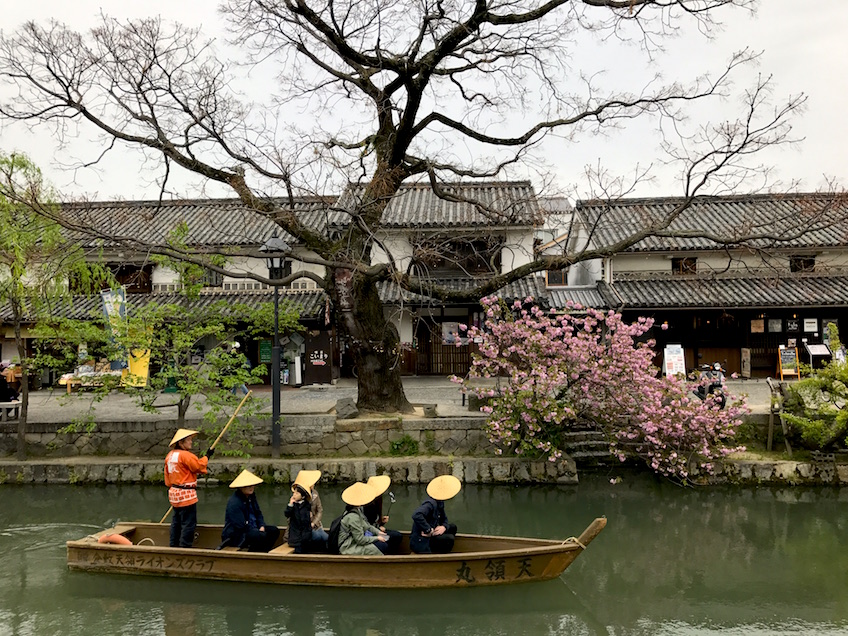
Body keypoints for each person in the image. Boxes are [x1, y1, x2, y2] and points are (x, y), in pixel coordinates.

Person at [164, 428, 211, 548]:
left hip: (174, 493)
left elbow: (167, 478)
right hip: (186, 495)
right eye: (189, 440)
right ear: (181, 443)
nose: (191, 442)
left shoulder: (169, 456)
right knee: (188, 523)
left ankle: (173, 545)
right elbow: (198, 467)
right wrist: (207, 456)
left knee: (176, 522)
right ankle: (185, 547)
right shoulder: (186, 455)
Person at [221, 469, 280, 552]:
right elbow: (240, 525)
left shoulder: (251, 497)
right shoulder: (234, 503)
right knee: (259, 536)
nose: (251, 488)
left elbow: (258, 513)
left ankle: (263, 552)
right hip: (237, 535)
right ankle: (253, 554)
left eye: (252, 485)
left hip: (252, 528)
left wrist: (261, 525)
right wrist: (257, 531)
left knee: (274, 531)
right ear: (241, 487)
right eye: (248, 486)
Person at [410, 474, 461, 554]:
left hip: (433, 533)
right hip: (422, 539)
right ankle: (439, 556)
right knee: (449, 538)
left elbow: (444, 519)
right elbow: (416, 515)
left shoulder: (440, 502)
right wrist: (428, 530)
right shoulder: (430, 504)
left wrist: (444, 527)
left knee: (452, 527)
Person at [338, 481, 389, 555]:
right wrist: (377, 538)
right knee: (382, 546)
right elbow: (360, 540)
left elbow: (367, 526)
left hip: (355, 541)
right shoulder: (353, 517)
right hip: (349, 547)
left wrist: (378, 532)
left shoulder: (357, 511)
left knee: (385, 540)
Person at [285, 471, 325, 553]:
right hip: (300, 532)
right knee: (319, 537)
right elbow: (289, 516)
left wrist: (313, 523)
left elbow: (320, 510)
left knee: (325, 537)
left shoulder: (315, 494)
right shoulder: (296, 498)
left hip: (314, 526)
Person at [363, 474, 402, 554]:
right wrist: (378, 528)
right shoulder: (368, 505)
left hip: (375, 531)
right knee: (395, 536)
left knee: (397, 535)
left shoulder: (375, 502)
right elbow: (367, 525)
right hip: (369, 534)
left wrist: (381, 522)